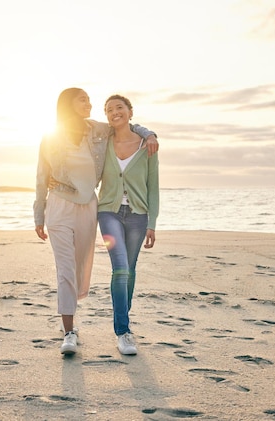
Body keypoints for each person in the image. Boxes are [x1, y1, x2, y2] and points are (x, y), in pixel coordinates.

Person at [33, 88, 158, 355]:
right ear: (68, 105)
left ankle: (84, 324)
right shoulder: (50, 137)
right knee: (65, 270)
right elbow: (41, 176)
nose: (89, 104)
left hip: (88, 206)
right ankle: (69, 332)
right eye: (83, 100)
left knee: (81, 268)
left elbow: (124, 123)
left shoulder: (98, 131)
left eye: (90, 100)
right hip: (59, 205)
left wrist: (149, 134)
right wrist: (39, 214)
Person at [97, 94, 160, 356]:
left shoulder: (147, 146)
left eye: (119, 107)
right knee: (120, 269)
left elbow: (152, 187)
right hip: (108, 212)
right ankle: (123, 332)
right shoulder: (102, 143)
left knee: (130, 271)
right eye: (109, 110)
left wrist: (152, 223)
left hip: (138, 216)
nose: (114, 112)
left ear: (130, 112)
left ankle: (125, 324)